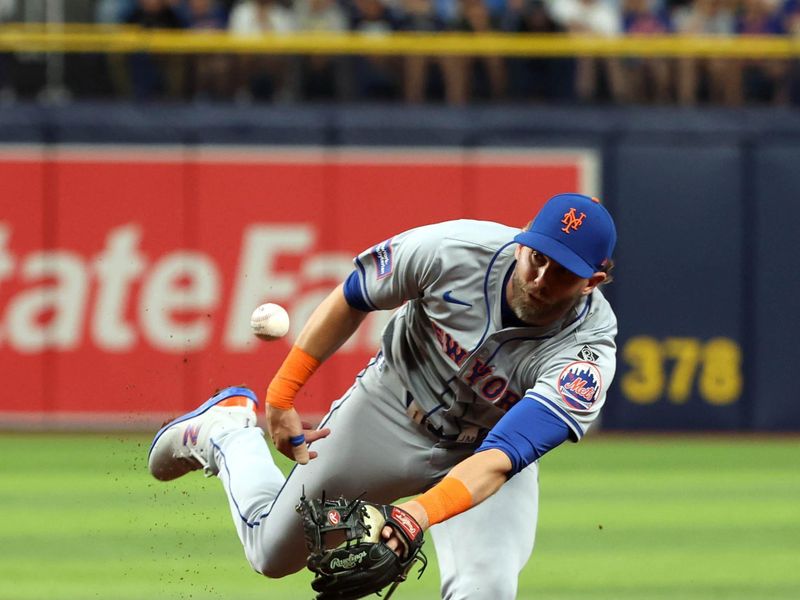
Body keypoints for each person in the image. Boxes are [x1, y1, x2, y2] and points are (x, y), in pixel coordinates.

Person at [148, 192, 618, 599]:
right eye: (537, 257)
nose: (540, 278)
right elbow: (354, 295)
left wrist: (418, 514)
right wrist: (282, 393)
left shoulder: (586, 353)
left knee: (487, 590)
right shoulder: (453, 249)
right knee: (272, 553)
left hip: (484, 451)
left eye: (561, 273)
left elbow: (502, 455)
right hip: (391, 408)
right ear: (522, 240)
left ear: (592, 282)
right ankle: (229, 431)